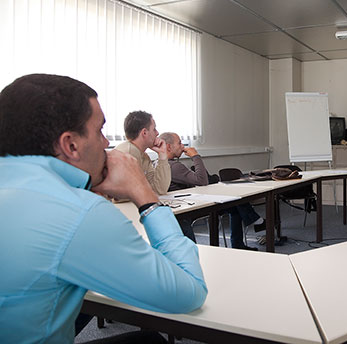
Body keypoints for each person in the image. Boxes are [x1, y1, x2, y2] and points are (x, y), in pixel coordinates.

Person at [0, 74, 208, 343]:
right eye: (99, 131)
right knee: (148, 341)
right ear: (71, 145)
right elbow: (189, 293)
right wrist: (143, 194)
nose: (106, 143)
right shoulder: (78, 213)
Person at [160, 132, 266, 251]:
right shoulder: (174, 166)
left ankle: (239, 244)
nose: (183, 146)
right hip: (189, 208)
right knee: (234, 200)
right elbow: (202, 180)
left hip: (187, 203)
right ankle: (254, 221)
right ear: (168, 147)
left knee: (235, 205)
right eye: (179, 143)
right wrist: (195, 156)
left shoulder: (162, 164)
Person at [114, 111, 171, 195]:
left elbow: (159, 189)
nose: (157, 133)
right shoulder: (128, 152)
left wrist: (162, 155)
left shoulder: (144, 156)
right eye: (154, 129)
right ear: (144, 132)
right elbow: (122, 195)